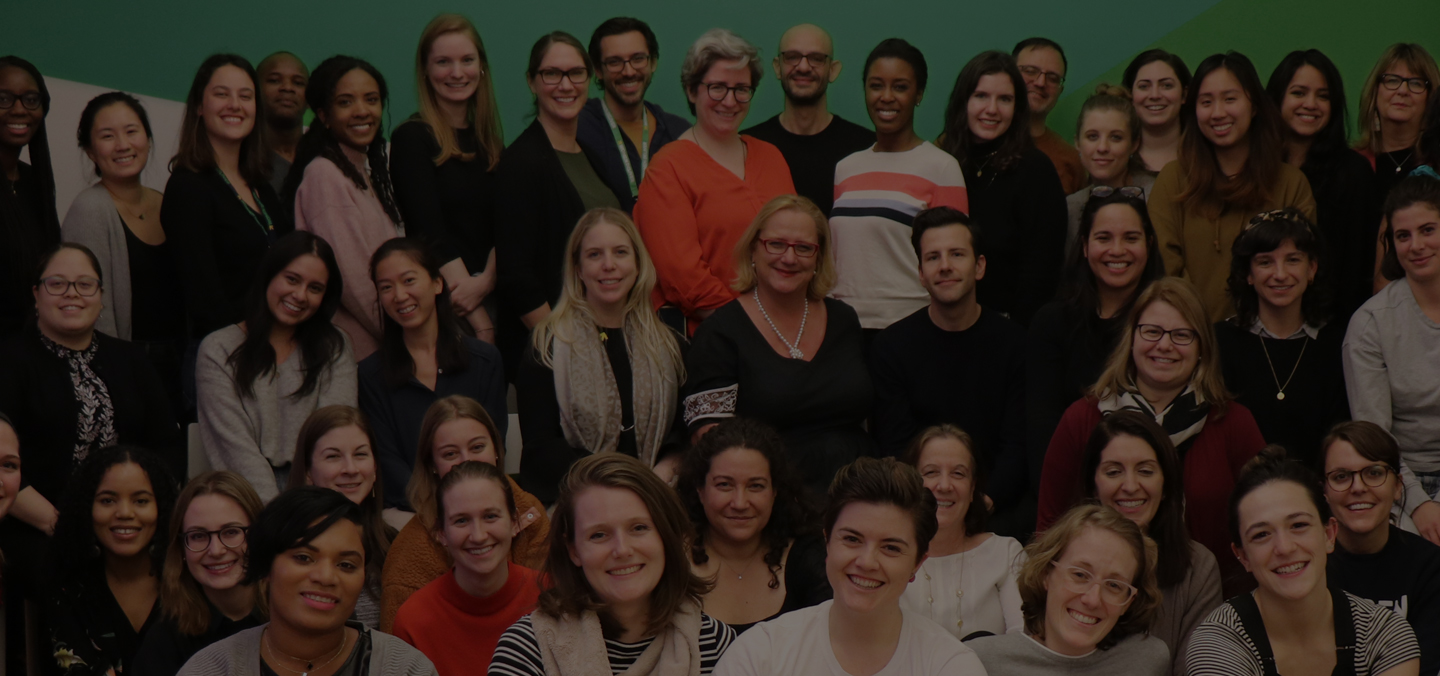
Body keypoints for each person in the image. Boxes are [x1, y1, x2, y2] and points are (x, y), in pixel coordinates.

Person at [1037, 277, 1265, 598]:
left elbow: (1262, 523)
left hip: (1213, 599)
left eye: (1181, 335)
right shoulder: (1082, 419)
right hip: (1096, 598)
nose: (1165, 345)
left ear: (1202, 347)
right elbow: (1049, 526)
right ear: (1131, 338)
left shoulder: (1233, 424)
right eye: (1152, 331)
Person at [713, 457, 984, 676]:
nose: (866, 562)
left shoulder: (950, 665)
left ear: (918, 563)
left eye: (891, 548)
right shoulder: (760, 654)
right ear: (827, 543)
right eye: (852, 539)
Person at [683, 195, 873, 495]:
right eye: (776, 244)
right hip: (774, 499)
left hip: (858, 492)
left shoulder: (844, 319)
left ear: (818, 257)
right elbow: (709, 441)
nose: (789, 258)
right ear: (753, 249)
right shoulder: (719, 333)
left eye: (803, 248)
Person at [0, 243, 183, 543]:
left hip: (129, 524)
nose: (72, 293)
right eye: (57, 284)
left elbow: (167, 446)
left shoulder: (131, 359)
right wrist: (62, 529)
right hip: (38, 531)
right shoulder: (9, 361)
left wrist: (141, 510)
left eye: (85, 285)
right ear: (36, 294)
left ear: (101, 297)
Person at [489, 454, 736, 676]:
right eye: (599, 535)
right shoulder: (526, 648)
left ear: (666, 535)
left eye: (638, 528)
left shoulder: (717, 645)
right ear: (574, 551)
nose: (622, 550)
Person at [1185, 447, 1421, 676]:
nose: (1284, 548)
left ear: (1329, 535)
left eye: (1298, 525)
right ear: (1243, 556)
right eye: (1261, 535)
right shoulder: (1218, 642)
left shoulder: (1385, 634)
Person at [868, 207, 1030, 535]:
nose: (945, 266)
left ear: (979, 266)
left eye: (957, 254)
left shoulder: (1016, 344)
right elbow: (896, 447)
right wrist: (933, 510)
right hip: (918, 509)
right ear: (921, 273)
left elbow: (1018, 444)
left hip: (996, 510)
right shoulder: (891, 347)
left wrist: (980, 505)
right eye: (933, 257)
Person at [634, 28, 796, 333]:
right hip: (714, 338)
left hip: (784, 328)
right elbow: (684, 279)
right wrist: (755, 328)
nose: (730, 101)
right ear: (691, 90)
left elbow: (798, 243)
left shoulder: (771, 156)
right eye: (717, 87)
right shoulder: (668, 168)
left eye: (741, 89)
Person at [177, 486, 437, 675]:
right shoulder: (211, 669)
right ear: (267, 565)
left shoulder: (404, 669)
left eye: (346, 565)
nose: (326, 577)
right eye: (303, 558)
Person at [517, 208, 685, 500]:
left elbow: (685, 434)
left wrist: (665, 470)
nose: (609, 265)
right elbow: (540, 448)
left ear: (637, 264)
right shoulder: (547, 346)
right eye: (594, 255)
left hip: (658, 496)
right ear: (578, 269)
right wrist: (613, 487)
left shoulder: (672, 346)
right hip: (580, 502)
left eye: (620, 252)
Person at [1149, 51, 1316, 323]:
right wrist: (1197, 328)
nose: (1218, 113)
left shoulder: (1290, 183)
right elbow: (1164, 265)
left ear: (1254, 106)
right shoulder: (1173, 179)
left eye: (1230, 99)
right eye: (1206, 102)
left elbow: (1299, 266)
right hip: (1187, 332)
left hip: (1267, 334)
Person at [493, 31, 621, 372]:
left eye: (576, 73)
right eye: (552, 73)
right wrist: (565, 348)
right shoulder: (521, 162)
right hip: (558, 355)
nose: (565, 85)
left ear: (589, 79)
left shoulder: (590, 155)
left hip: (599, 338)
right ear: (532, 82)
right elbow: (516, 275)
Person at [196, 231, 357, 502]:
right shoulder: (219, 348)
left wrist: (311, 507)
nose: (300, 295)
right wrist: (278, 515)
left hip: (317, 493)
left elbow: (334, 435)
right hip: (243, 496)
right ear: (269, 275)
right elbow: (235, 448)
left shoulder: (334, 346)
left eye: (315, 288)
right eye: (292, 279)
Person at [1028, 190, 1165, 496]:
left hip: (1151, 490)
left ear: (1149, 244)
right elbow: (1042, 431)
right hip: (1072, 493)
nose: (1117, 250)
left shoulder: (1168, 325)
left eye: (1131, 238)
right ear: (1085, 246)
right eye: (1104, 238)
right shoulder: (1051, 323)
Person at [830, 38, 968, 332]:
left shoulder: (942, 167)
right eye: (876, 85)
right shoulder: (846, 168)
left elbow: (956, 263)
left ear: (918, 94)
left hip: (910, 328)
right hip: (843, 328)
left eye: (900, 87)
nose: (886, 97)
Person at [360, 238, 507, 512]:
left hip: (479, 504)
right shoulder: (371, 375)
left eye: (408, 280)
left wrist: (461, 507)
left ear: (438, 283)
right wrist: (434, 509)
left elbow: (494, 443)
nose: (399, 295)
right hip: (407, 512)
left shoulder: (484, 361)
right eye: (386, 287)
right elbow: (386, 460)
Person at [62, 92, 186, 416]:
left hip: (181, 362)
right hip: (128, 367)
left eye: (131, 131)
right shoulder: (90, 209)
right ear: (90, 150)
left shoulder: (167, 202)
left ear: (148, 138)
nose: (122, 145)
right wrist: (118, 381)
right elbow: (92, 314)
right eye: (107, 136)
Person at [380, 395, 548, 632]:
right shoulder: (409, 557)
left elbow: (553, 607)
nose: (466, 460)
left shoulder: (530, 512)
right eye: (450, 454)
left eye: (477, 447)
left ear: (497, 449)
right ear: (432, 465)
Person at [163, 54, 292, 343]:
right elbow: (203, 299)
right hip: (226, 352)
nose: (235, 105)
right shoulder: (188, 187)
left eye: (245, 96)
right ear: (199, 106)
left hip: (277, 345)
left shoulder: (261, 186)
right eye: (222, 94)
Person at [1080, 412, 1222, 675]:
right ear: (1093, 486)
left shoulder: (1198, 567)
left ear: (1166, 484)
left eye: (1145, 471)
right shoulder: (1064, 557)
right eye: (1114, 472)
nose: (1130, 486)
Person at [287, 55, 405, 361]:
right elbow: (355, 283)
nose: (362, 111)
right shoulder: (325, 174)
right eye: (345, 102)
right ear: (324, 115)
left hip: (381, 352)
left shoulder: (365, 173)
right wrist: (408, 337)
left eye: (371, 99)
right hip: (356, 357)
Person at [391, 14, 502, 339]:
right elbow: (430, 234)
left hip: (495, 296)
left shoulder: (491, 144)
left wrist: (486, 281)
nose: (457, 73)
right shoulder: (412, 138)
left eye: (467, 60)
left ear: (481, 67)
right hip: (453, 311)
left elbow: (509, 226)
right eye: (443, 62)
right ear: (425, 70)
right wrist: (481, 322)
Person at [939, 50, 1068, 327]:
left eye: (1005, 99)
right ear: (963, 101)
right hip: (944, 321)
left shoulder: (1035, 170)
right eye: (981, 96)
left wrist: (1016, 338)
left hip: (1010, 326)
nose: (992, 109)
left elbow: (1042, 273)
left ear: (1018, 108)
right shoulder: (943, 162)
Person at [1344, 175, 1440, 545]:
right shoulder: (1370, 323)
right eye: (1403, 236)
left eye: (1428, 230)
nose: (1416, 246)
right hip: (1398, 479)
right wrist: (1419, 504)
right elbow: (1375, 440)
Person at [968, 504, 1167, 675]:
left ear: (1129, 602)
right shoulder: (979, 661)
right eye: (1080, 575)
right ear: (1046, 574)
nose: (1093, 599)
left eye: (1114, 585)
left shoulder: (1146, 659)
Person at [1216, 209, 1349, 466]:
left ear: (1312, 268)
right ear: (1248, 274)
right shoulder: (1220, 341)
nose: (1280, 274)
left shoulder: (1338, 344)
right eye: (1265, 262)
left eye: (1293, 260)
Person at [676, 418, 829, 634]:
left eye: (756, 486)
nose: (740, 503)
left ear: (775, 491)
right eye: (724, 485)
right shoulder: (670, 560)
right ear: (700, 490)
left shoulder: (809, 559)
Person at [392, 461, 541, 675]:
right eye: (461, 520)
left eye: (490, 516)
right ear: (441, 533)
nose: (478, 536)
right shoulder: (413, 621)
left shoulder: (551, 595)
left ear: (515, 522)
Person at [46, 445, 179, 676]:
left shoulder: (189, 581)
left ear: (162, 508)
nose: (125, 512)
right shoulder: (68, 588)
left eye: (141, 501)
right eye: (107, 501)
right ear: (86, 508)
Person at [1323, 421, 1440, 676]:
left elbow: (1426, 666)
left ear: (1398, 486)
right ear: (1325, 491)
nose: (1358, 487)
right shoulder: (1307, 564)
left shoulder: (1429, 566)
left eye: (1374, 473)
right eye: (1341, 476)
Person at [1266, 50, 1377, 317]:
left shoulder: (1354, 172)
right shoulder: (1255, 168)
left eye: (1323, 96)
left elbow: (1358, 266)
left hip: (1333, 322)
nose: (1311, 104)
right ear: (1277, 98)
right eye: (1298, 93)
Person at [132, 471, 268, 676]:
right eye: (198, 536)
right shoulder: (164, 641)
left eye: (231, 532)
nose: (216, 550)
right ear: (181, 549)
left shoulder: (290, 615)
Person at [898, 425, 1025, 640]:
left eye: (958, 474)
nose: (945, 485)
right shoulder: (890, 555)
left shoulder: (1006, 554)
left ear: (973, 487)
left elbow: (1023, 643)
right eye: (931, 472)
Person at [743, 24, 873, 216]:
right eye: (792, 57)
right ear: (777, 67)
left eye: (816, 59)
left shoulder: (866, 149)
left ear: (833, 70)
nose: (803, 67)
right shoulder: (747, 148)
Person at [285, 405, 396, 629]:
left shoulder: (395, 545)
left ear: (375, 467)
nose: (350, 469)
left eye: (360, 454)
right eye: (333, 456)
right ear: (308, 471)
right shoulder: (284, 544)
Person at [578, 17, 692, 213]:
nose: (629, 71)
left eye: (638, 59)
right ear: (598, 70)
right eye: (614, 62)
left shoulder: (680, 133)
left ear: (653, 62)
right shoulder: (577, 127)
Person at [0, 55, 61, 337]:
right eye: (4, 99)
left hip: (32, 346)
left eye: (31, 100)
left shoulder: (35, 181)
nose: (19, 109)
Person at [1065, 85, 1156, 252]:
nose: (1102, 147)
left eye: (1116, 137)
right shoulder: (1071, 208)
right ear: (1077, 143)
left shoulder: (1157, 197)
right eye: (1092, 136)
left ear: (1134, 144)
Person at [1355, 44, 1438, 206]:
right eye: (1392, 80)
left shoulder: (1436, 166)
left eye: (1416, 83)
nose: (1403, 91)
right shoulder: (1351, 166)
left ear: (1431, 98)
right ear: (1375, 92)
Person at [1014, 38, 1084, 195]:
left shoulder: (1070, 159)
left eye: (1053, 78)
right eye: (1030, 71)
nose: (1040, 83)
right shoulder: (977, 139)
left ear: (1060, 90)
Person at [1121, 50, 1190, 174]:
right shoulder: (1116, 160)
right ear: (1130, 96)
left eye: (1166, 85)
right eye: (1144, 86)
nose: (1155, 95)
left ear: (1184, 95)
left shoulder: (1207, 156)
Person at [256, 52, 309, 195]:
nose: (287, 88)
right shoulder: (240, 158)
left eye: (298, 83)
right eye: (274, 80)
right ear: (253, 91)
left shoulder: (326, 155)